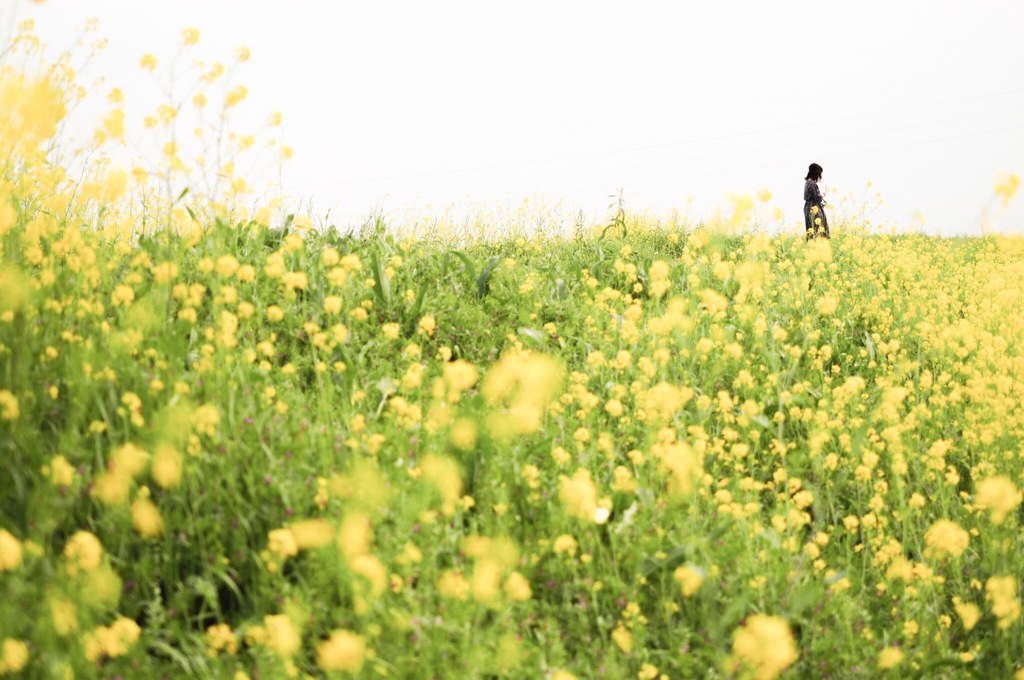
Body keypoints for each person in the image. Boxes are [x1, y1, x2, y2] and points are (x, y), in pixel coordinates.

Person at [803, 163, 829, 239]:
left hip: (808, 208)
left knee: (811, 229)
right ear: (816, 173)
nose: (820, 176)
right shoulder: (813, 184)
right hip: (814, 208)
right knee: (819, 229)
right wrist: (825, 192)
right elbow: (817, 198)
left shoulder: (807, 182)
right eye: (820, 173)